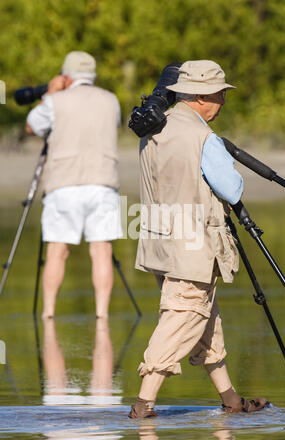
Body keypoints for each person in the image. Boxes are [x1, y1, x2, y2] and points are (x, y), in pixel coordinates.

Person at [129, 60, 268, 418]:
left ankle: (232, 401)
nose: (223, 101)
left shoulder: (152, 126)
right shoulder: (202, 136)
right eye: (221, 94)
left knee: (204, 318)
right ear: (203, 96)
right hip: (192, 244)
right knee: (184, 314)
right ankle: (143, 406)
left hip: (161, 241)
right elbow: (232, 189)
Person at [26, 51, 122, 322]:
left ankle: (48, 313)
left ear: (66, 76)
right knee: (102, 251)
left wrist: (50, 93)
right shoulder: (111, 100)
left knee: (57, 251)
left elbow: (32, 126)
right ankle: (102, 314)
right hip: (103, 182)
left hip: (64, 184)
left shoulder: (55, 101)